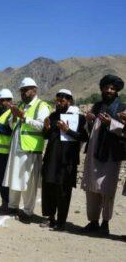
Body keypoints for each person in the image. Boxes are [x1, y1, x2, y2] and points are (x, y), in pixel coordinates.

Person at [81, 74, 126, 235]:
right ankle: (93, 221)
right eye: (106, 87)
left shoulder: (122, 108)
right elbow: (89, 129)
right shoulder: (96, 106)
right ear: (101, 89)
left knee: (107, 190)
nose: (109, 90)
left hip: (111, 155)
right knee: (92, 188)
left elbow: (124, 131)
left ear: (116, 91)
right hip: (94, 151)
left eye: (112, 88)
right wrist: (90, 120)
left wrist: (111, 123)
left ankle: (105, 223)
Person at [3, 77, 50, 222]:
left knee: (28, 183)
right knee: (14, 177)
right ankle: (12, 206)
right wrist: (14, 118)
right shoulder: (21, 105)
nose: (23, 93)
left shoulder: (41, 105)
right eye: (21, 90)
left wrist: (24, 118)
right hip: (17, 147)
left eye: (26, 90)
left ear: (34, 90)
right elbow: (12, 125)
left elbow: (42, 126)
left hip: (30, 148)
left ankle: (28, 211)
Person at [40, 89, 88, 231]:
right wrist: (47, 128)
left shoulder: (78, 118)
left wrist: (68, 130)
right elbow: (46, 136)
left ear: (70, 101)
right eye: (58, 99)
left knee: (63, 190)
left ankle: (61, 222)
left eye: (63, 100)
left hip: (67, 160)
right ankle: (50, 218)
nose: (59, 102)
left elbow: (84, 137)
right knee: (48, 188)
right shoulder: (53, 115)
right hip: (51, 158)